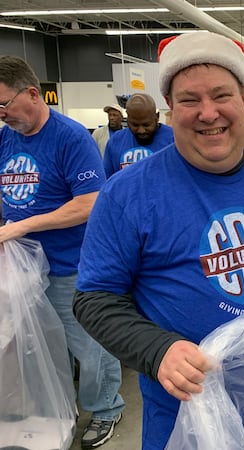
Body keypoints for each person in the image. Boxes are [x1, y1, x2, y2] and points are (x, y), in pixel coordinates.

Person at [72, 31, 244, 450]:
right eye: (189, 100)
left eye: (221, 96)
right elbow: (94, 299)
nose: (208, 113)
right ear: (171, 107)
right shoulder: (127, 193)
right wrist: (159, 350)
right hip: (191, 409)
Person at [0, 55, 124, 449]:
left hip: (69, 266)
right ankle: (54, 407)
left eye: (3, 104)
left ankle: (106, 407)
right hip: (20, 268)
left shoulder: (70, 137)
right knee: (39, 345)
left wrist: (20, 226)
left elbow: (89, 202)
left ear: (32, 94)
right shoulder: (5, 138)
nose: (1, 114)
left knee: (89, 347)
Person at [103, 93, 173, 178]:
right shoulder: (115, 141)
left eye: (146, 125)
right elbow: (107, 181)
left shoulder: (174, 139)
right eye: (135, 125)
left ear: (157, 117)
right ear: (128, 120)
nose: (141, 130)